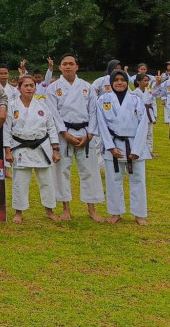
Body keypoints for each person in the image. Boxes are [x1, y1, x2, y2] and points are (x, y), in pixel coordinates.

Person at [45, 54, 105, 222]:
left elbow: (94, 112)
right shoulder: (53, 88)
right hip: (64, 133)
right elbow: (53, 114)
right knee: (62, 170)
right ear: (60, 67)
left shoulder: (87, 87)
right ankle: (66, 208)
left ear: (77, 67)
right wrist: (65, 134)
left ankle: (91, 209)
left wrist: (90, 134)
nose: (68, 67)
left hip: (85, 132)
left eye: (71, 64)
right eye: (65, 64)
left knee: (90, 171)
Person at [4, 74, 61, 223]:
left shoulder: (42, 105)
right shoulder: (12, 105)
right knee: (20, 182)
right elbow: (6, 129)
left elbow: (51, 128)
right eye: (26, 85)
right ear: (19, 88)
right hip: (21, 147)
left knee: (47, 181)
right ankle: (19, 213)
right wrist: (7, 150)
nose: (29, 88)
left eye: (32, 85)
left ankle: (49, 211)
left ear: (36, 87)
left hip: (42, 147)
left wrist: (55, 149)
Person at [97, 70, 150, 225]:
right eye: (116, 80)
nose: (119, 83)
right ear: (111, 82)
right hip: (113, 144)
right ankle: (115, 212)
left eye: (122, 80)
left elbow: (143, 125)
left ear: (127, 82)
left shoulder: (136, 99)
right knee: (113, 180)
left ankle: (139, 214)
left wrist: (136, 150)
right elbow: (102, 125)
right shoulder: (103, 99)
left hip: (134, 143)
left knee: (138, 179)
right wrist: (110, 147)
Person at [131, 73, 156, 157]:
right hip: (140, 114)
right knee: (141, 133)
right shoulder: (134, 93)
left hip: (149, 113)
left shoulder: (149, 91)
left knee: (149, 133)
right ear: (138, 82)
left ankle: (150, 151)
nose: (147, 82)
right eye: (144, 81)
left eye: (147, 81)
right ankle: (140, 150)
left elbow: (153, 103)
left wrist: (154, 114)